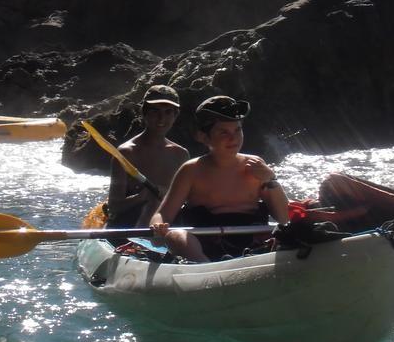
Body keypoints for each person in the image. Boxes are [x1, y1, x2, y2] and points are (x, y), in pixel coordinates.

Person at [149, 95, 289, 262]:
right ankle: (206, 268)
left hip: (254, 243)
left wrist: (271, 180)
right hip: (206, 245)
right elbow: (163, 214)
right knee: (176, 236)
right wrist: (158, 225)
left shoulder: (257, 165)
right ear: (203, 137)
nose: (233, 138)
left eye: (237, 130)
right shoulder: (191, 170)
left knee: (291, 233)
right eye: (224, 132)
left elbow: (284, 218)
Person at [105, 85, 190, 227]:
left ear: (175, 115)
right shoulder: (126, 153)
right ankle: (141, 243)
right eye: (154, 111)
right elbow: (114, 206)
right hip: (129, 224)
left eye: (168, 112)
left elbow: (185, 200)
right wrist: (141, 197)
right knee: (153, 201)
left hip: (164, 225)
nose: (161, 118)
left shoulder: (181, 154)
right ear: (143, 113)